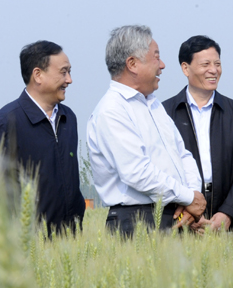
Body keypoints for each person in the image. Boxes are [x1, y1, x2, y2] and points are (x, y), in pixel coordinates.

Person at [87, 25, 205, 236]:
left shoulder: (154, 105)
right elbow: (137, 172)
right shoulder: (112, 110)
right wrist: (188, 198)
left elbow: (183, 154)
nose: (162, 65)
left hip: (176, 214)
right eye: (156, 57)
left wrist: (192, 195)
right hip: (138, 221)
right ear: (132, 64)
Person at [163, 35, 233, 233]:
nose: (213, 70)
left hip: (225, 220)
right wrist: (187, 208)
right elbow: (161, 167)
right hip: (179, 219)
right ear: (185, 68)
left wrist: (228, 213)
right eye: (206, 64)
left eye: (217, 64)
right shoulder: (164, 113)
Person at [0, 41, 85, 236]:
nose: (69, 80)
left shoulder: (69, 118)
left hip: (70, 242)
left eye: (69, 72)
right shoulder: (5, 123)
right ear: (38, 75)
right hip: (26, 244)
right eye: (63, 72)